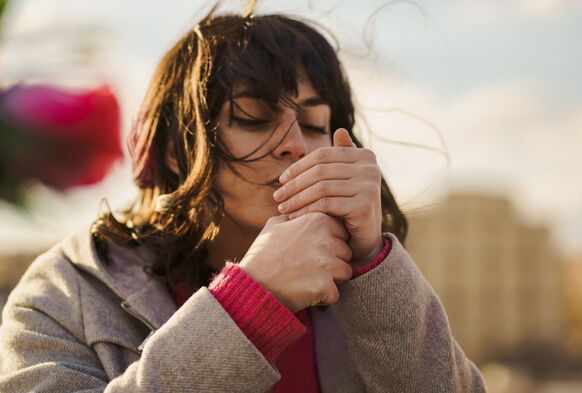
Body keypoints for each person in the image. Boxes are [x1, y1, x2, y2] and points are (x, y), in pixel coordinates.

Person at [0, 6, 486, 393]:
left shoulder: (367, 283)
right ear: (176, 148)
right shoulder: (64, 291)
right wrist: (248, 305)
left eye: (316, 123)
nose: (296, 143)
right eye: (253, 116)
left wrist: (374, 267)